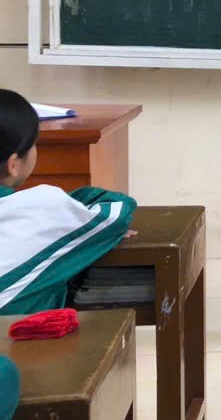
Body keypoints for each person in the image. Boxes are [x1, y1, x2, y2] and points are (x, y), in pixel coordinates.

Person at [0, 89, 136, 314]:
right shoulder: (45, 207)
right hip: (17, 336)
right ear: (13, 164)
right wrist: (71, 202)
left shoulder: (41, 206)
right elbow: (117, 211)